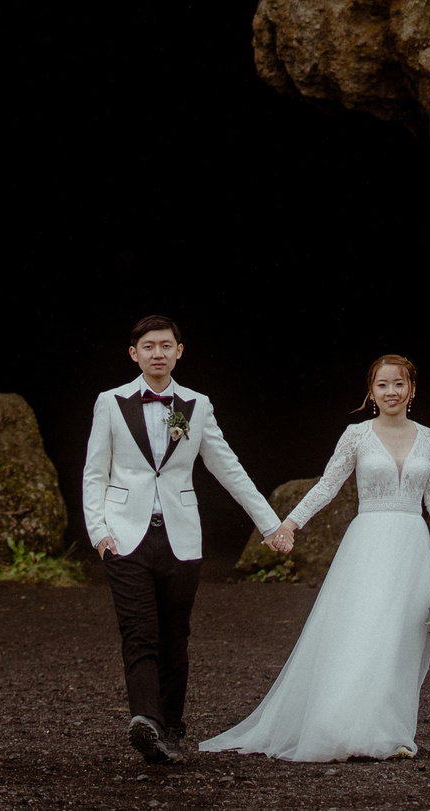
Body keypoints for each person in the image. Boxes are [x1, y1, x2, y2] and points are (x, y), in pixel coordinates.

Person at [199, 353, 430, 763]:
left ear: (412, 389)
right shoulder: (357, 435)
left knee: (401, 636)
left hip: (411, 543)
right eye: (382, 385)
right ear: (371, 391)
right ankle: (340, 725)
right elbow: (328, 485)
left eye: (399, 384)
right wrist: (289, 524)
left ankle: (389, 730)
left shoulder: (429, 438)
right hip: (368, 542)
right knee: (363, 629)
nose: (391, 392)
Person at [82, 314, 288, 766]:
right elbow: (95, 471)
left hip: (181, 537)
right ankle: (146, 721)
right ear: (134, 354)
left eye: (165, 346)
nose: (157, 353)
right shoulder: (110, 403)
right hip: (124, 537)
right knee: (139, 631)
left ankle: (170, 728)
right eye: (148, 346)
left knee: (174, 637)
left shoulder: (197, 405)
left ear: (179, 351)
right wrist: (99, 531)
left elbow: (228, 468)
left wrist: (270, 525)